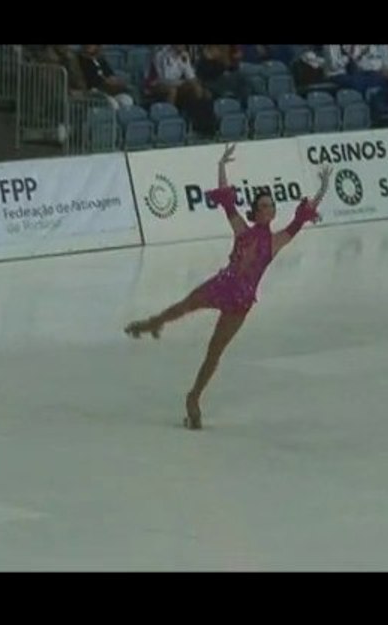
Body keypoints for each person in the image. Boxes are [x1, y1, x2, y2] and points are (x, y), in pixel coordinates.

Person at [124, 144, 332, 430]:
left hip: (241, 301)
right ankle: (153, 323)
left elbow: (301, 219)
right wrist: (221, 164)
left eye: (272, 205)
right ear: (256, 212)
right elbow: (227, 199)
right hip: (223, 285)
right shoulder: (241, 229)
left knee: (214, 351)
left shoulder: (277, 241)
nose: (270, 208)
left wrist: (323, 188)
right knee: (185, 305)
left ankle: (194, 398)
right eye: (264, 206)